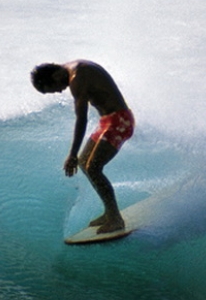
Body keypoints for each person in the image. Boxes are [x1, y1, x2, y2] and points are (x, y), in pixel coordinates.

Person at [30, 60, 134, 233]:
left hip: (119, 121)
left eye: (55, 88)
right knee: (84, 162)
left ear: (55, 75)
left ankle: (116, 219)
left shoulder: (78, 78)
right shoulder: (74, 67)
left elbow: (82, 119)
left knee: (93, 167)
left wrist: (72, 154)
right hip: (107, 121)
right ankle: (110, 212)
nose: (60, 90)